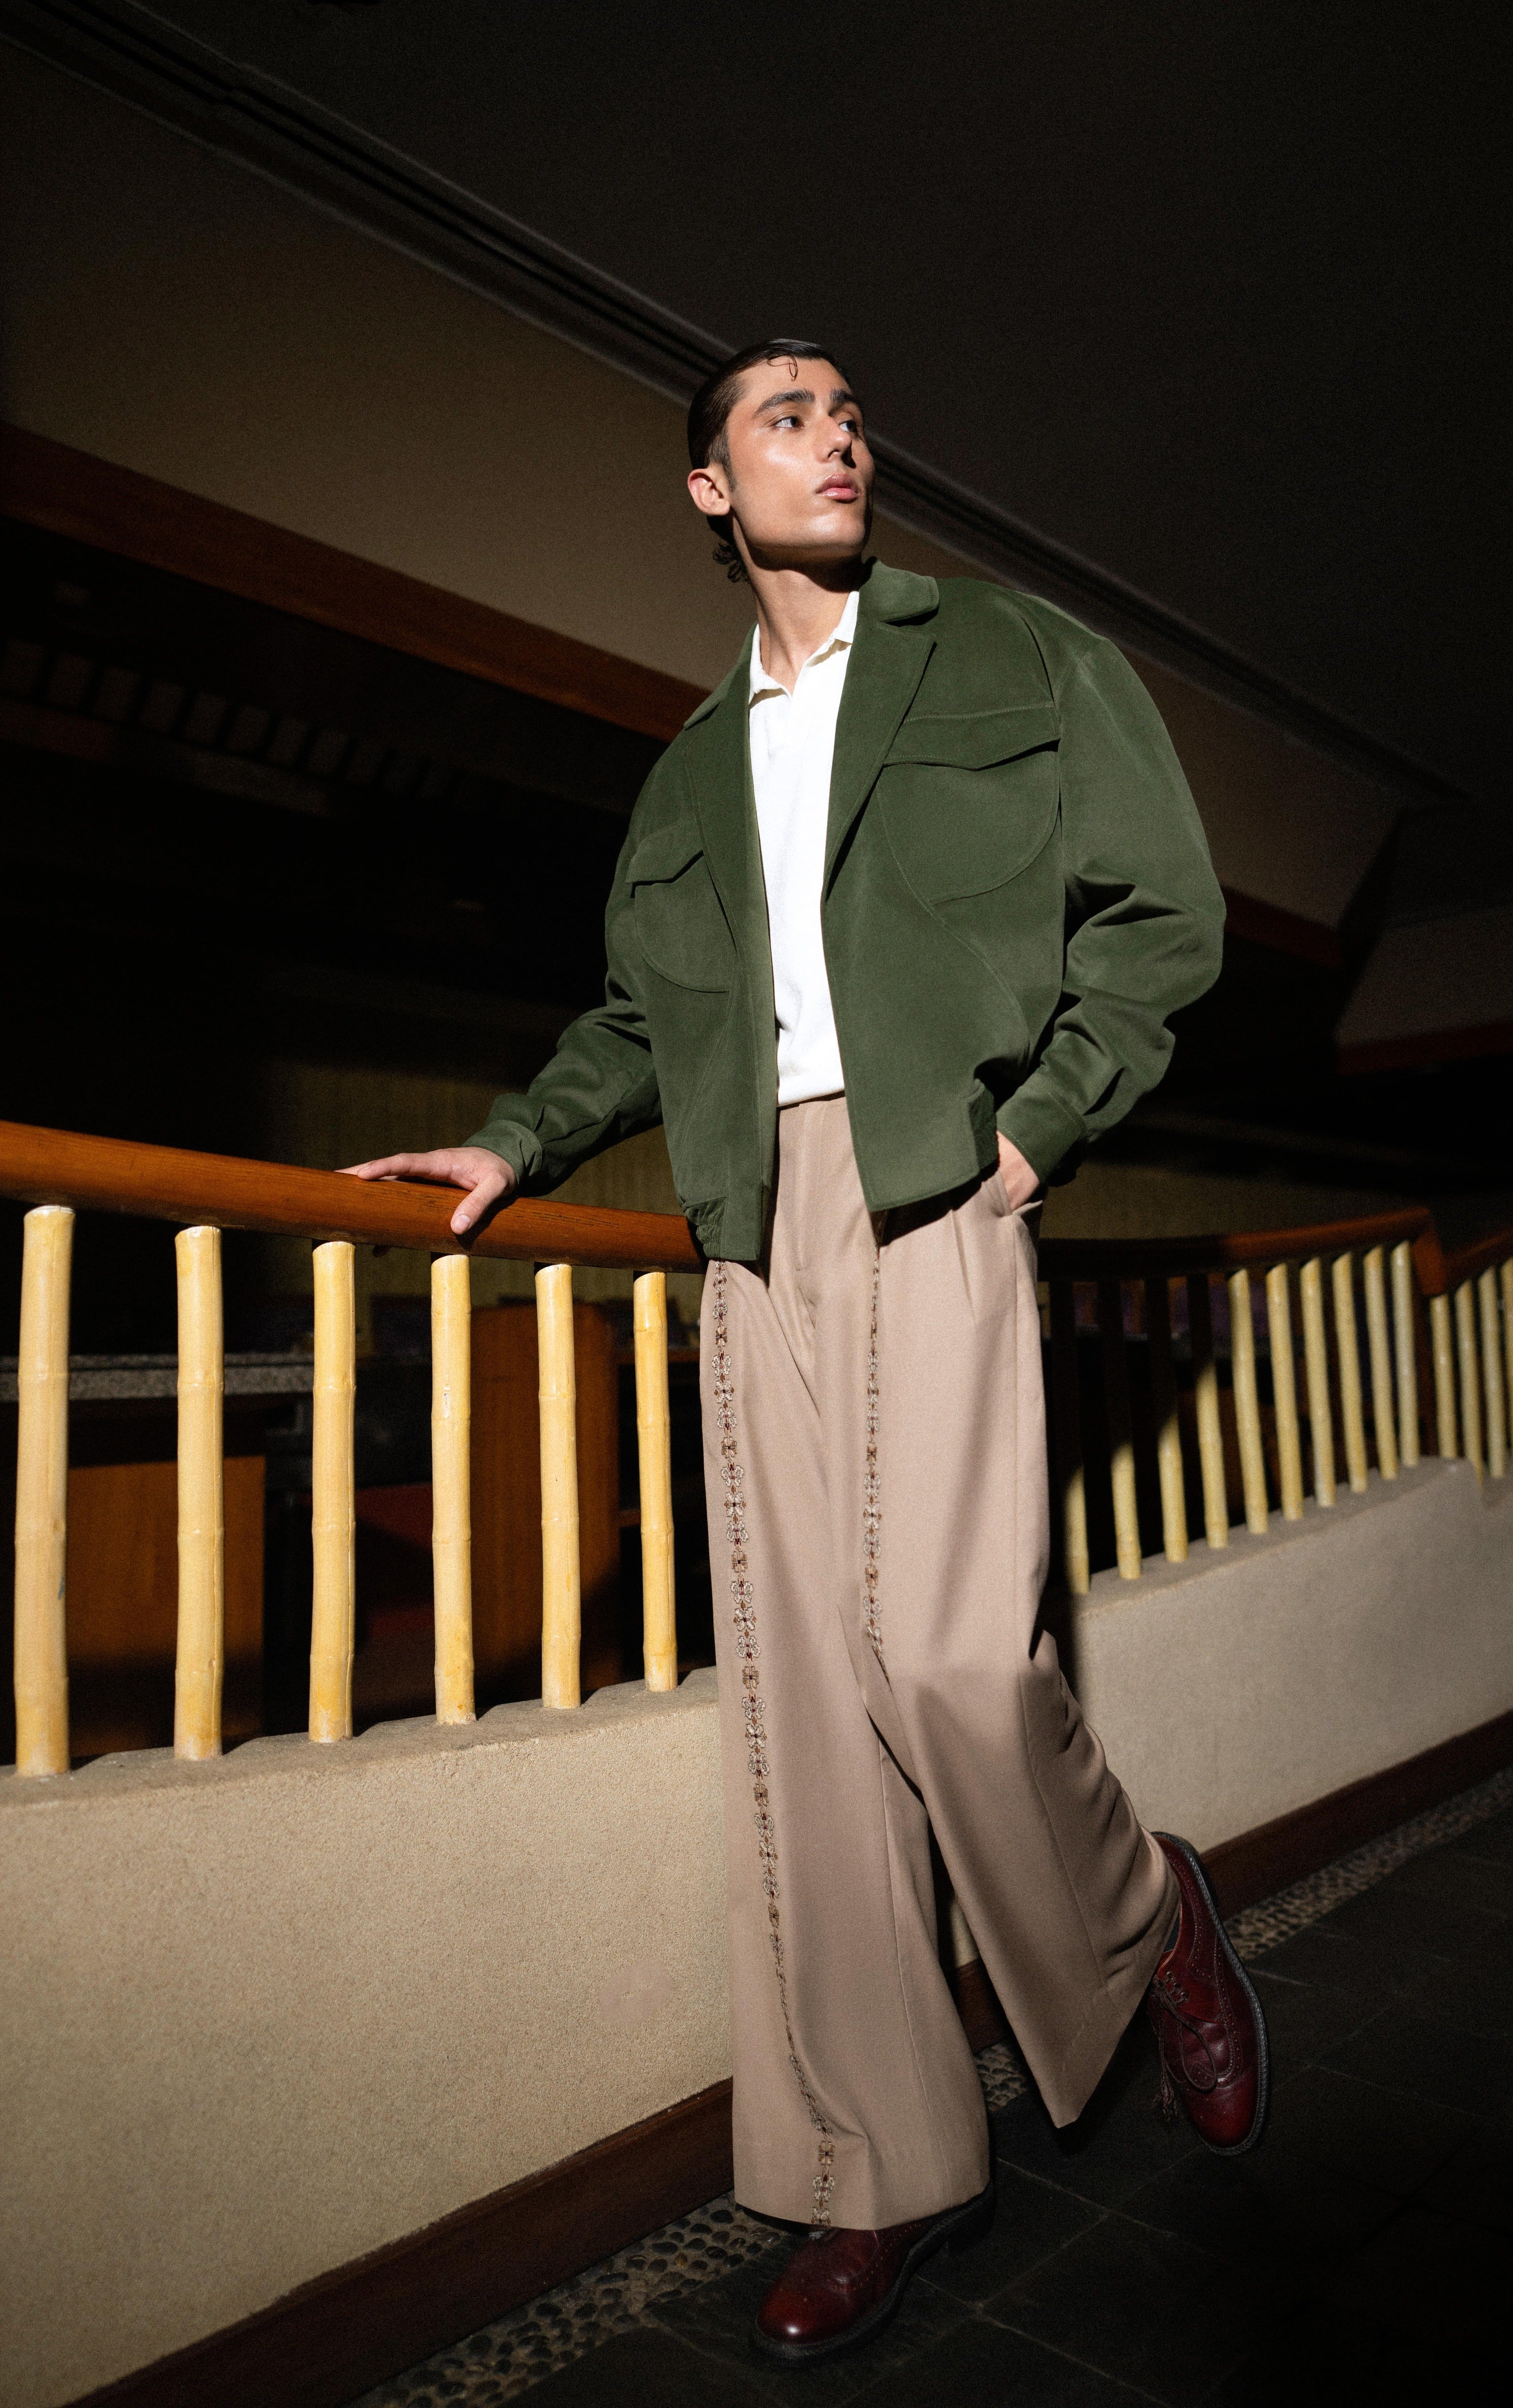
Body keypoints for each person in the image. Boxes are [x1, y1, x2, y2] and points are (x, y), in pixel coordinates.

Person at [348, 339, 1267, 2368]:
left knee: (947, 1663)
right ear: (710, 487)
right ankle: (881, 2170)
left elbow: (1165, 914)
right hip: (752, 1230)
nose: (836, 437)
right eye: (786, 415)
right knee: (810, 1734)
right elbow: (638, 1024)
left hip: (941, 1185)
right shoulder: (688, 774)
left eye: (849, 414)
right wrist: (514, 1140)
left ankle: (1150, 1916)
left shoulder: (1012, 654)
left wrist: (1043, 1127)